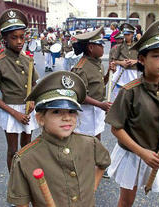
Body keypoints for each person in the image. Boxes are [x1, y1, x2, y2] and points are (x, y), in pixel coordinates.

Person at [105, 20, 159, 207]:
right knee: (126, 201)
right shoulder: (129, 91)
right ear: (141, 59)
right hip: (133, 153)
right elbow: (116, 129)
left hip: (158, 153)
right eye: (156, 56)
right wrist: (142, 153)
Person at [7, 70, 111, 206]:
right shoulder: (26, 159)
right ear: (40, 118)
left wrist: (92, 188)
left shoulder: (90, 143)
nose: (67, 117)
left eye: (72, 111)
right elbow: (22, 203)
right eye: (56, 111)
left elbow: (103, 163)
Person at [0, 9, 39, 172]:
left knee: (27, 147)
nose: (19, 41)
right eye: (14, 37)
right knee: (13, 150)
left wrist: (33, 101)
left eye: (22, 37)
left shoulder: (27, 59)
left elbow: (34, 84)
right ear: (5, 39)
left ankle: (26, 176)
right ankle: (14, 181)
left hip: (27, 110)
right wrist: (14, 113)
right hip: (11, 111)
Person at [71, 26, 112, 140]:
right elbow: (79, 95)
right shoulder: (81, 68)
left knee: (97, 138)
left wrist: (109, 73)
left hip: (97, 109)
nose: (103, 48)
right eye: (100, 45)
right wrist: (100, 105)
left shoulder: (97, 63)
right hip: (86, 112)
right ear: (91, 47)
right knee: (85, 141)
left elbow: (101, 83)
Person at [111, 23, 139, 100]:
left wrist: (135, 61)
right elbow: (114, 60)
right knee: (118, 93)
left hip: (132, 72)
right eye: (125, 35)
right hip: (121, 72)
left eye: (128, 35)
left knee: (132, 93)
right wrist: (122, 63)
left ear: (132, 34)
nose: (126, 37)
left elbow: (143, 60)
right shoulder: (120, 46)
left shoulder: (137, 46)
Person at [108, 32, 124, 102]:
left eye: (121, 39)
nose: (120, 40)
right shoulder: (114, 48)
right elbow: (111, 60)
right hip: (117, 69)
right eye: (119, 39)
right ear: (116, 40)